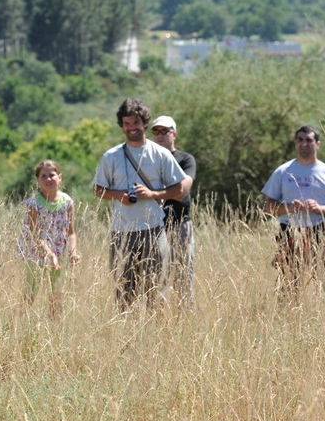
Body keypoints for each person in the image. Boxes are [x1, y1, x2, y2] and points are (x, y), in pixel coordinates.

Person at [93, 99, 188, 312]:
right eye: (126, 123)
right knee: (123, 292)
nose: (131, 128)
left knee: (156, 290)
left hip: (153, 230)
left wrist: (151, 194)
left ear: (144, 123)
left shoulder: (160, 154)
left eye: (135, 122)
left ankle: (156, 338)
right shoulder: (111, 156)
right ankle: (127, 336)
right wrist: (118, 195)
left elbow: (179, 190)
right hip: (121, 232)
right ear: (122, 125)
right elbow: (98, 190)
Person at [261, 125, 325, 303]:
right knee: (288, 280)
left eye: (309, 140)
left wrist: (319, 209)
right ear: (295, 144)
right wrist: (288, 208)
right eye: (300, 140)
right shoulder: (283, 171)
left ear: (318, 144)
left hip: (321, 229)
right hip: (290, 230)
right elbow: (268, 207)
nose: (304, 144)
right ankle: (288, 318)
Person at [16, 159, 80, 318]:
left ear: (60, 177)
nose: (48, 179)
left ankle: (55, 330)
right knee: (30, 294)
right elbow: (35, 234)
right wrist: (49, 254)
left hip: (60, 253)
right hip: (37, 254)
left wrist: (72, 253)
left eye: (51, 175)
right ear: (38, 180)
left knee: (57, 296)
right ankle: (17, 326)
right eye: (43, 176)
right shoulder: (33, 204)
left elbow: (71, 232)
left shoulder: (67, 201)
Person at [150, 115, 197, 312]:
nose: (160, 135)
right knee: (156, 275)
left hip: (179, 223)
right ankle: (159, 318)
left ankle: (186, 319)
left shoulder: (185, 159)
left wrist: (153, 193)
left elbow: (182, 191)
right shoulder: (148, 160)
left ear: (174, 134)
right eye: (156, 132)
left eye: (165, 131)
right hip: (153, 226)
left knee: (183, 274)